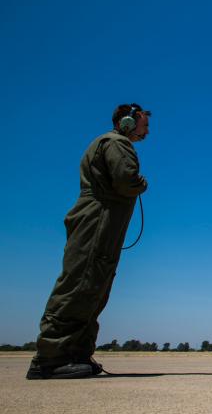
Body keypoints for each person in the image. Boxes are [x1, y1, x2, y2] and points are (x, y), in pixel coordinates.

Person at [26, 104, 150, 380]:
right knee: (80, 285)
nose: (147, 130)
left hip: (105, 225)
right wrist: (141, 183)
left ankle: (76, 353)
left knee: (94, 288)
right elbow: (127, 181)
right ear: (128, 122)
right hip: (98, 222)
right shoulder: (116, 143)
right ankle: (50, 358)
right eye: (144, 124)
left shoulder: (111, 143)